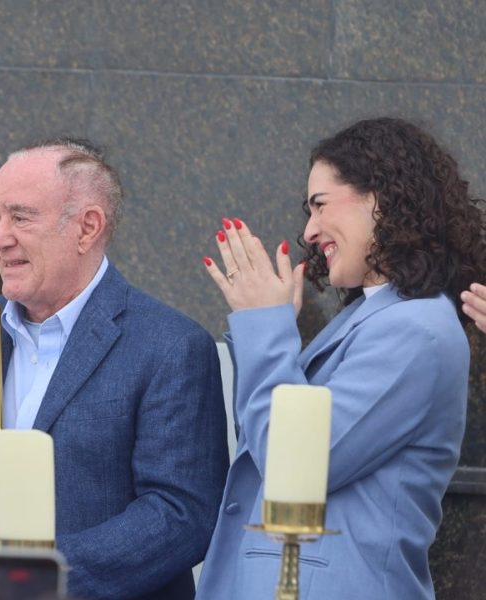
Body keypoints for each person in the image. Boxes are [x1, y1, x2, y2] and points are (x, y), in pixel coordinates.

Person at [196, 118, 486, 599]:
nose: (309, 230)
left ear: (381, 199)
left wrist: (265, 329)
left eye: (321, 205)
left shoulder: (415, 329)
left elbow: (297, 464)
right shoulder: (375, 319)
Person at [0, 138, 229, 600]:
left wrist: (35, 577)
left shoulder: (170, 346)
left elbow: (183, 514)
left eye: (20, 217)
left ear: (87, 228)